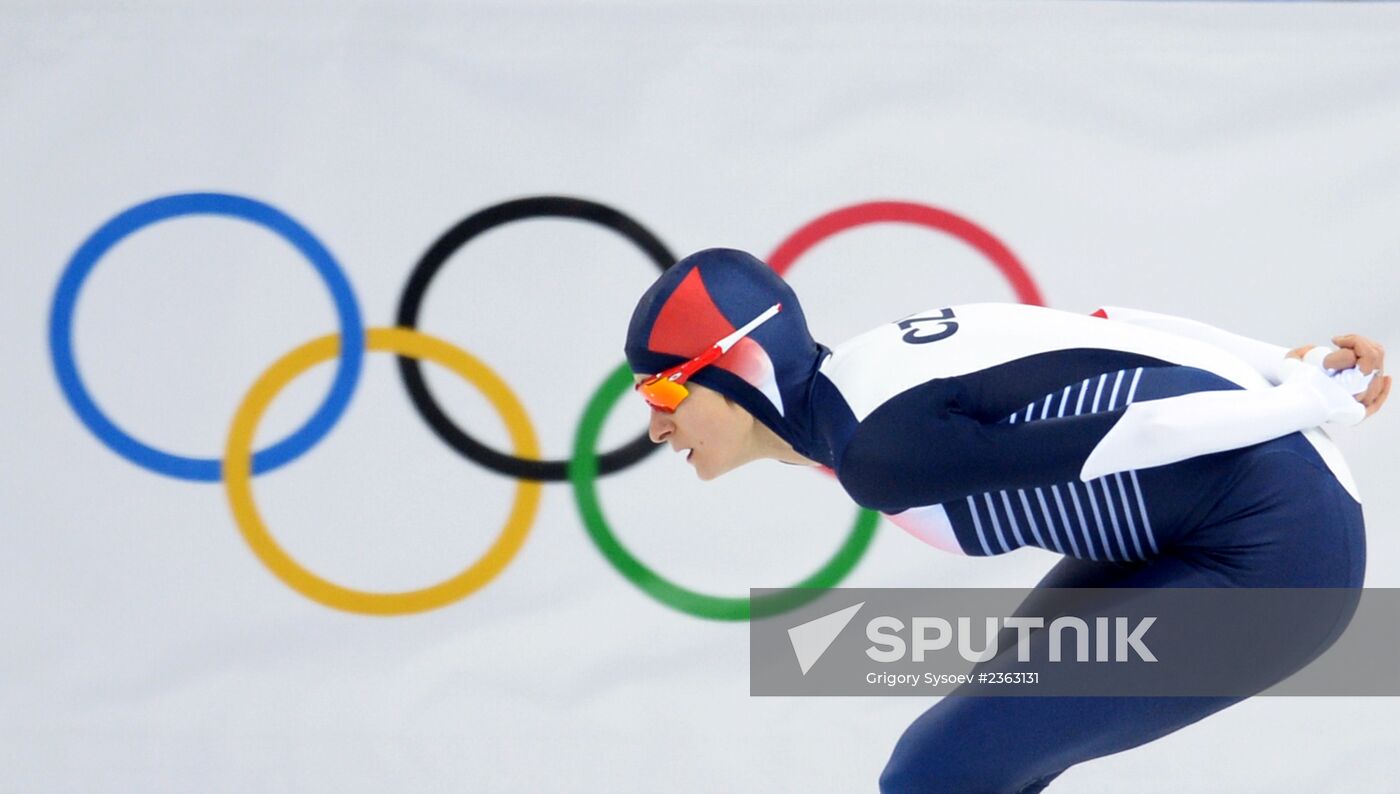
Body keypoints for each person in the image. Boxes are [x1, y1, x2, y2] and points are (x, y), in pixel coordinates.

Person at [623, 248, 1390, 793]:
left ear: (734, 368)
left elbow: (1124, 434)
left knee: (933, 772)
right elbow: (1106, 323)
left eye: (662, 395)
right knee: (983, 761)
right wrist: (1277, 360)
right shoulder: (867, 369)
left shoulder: (875, 450)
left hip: (1282, 554)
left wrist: (1295, 398)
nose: (656, 429)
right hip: (1208, 526)